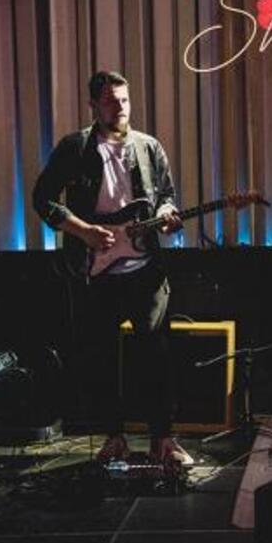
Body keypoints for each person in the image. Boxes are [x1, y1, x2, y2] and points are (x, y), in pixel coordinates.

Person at [32, 70, 188, 466]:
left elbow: (166, 195)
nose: (120, 107)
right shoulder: (75, 147)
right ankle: (114, 437)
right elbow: (42, 198)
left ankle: (163, 439)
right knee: (99, 357)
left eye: (124, 99)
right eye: (110, 101)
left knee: (157, 355)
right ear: (93, 105)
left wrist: (167, 213)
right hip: (94, 270)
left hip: (145, 267)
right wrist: (83, 231)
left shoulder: (148, 147)